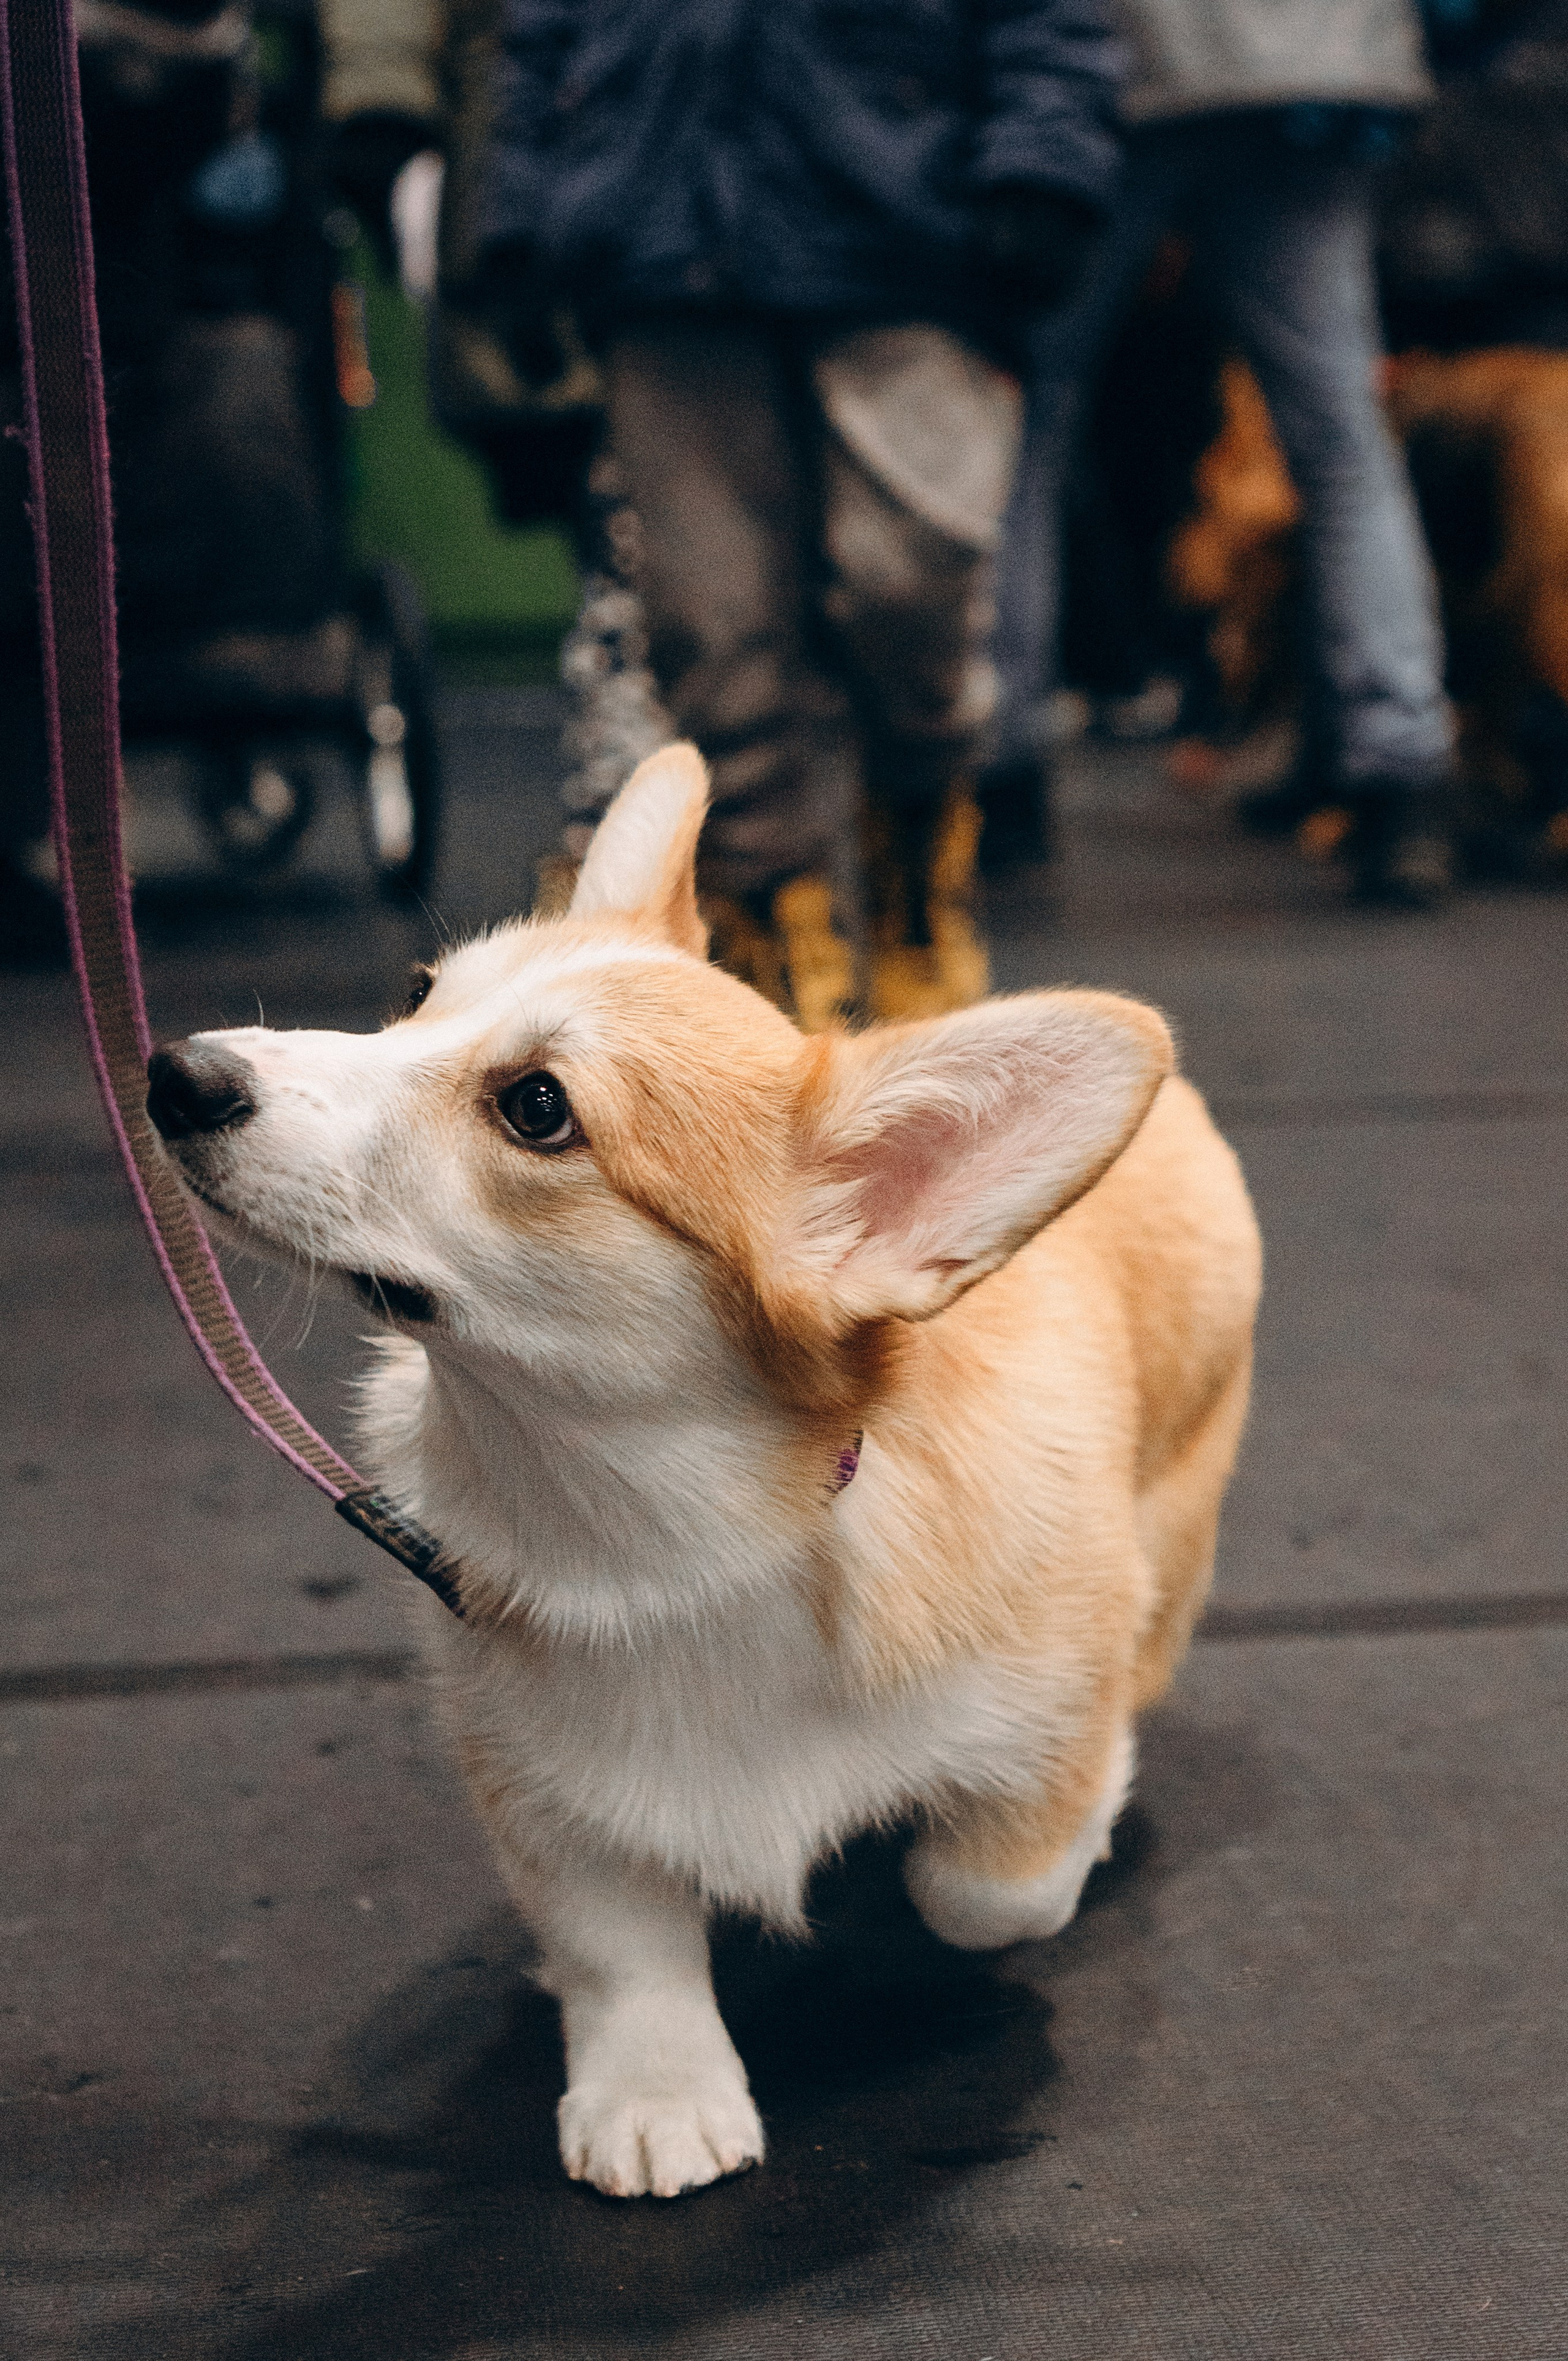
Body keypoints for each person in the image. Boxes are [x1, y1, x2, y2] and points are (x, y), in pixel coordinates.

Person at [475, 0, 1125, 1026]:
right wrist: (518, 219)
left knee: (912, 581)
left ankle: (916, 848)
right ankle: (773, 930)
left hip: (908, 227)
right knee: (711, 629)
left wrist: (1043, 164)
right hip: (660, 235)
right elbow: (539, 29)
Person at [984, 0, 1459, 908]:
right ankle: (1399, 764)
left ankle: (1001, 760)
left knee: (1033, 428)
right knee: (1341, 445)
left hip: (1120, 64)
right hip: (1317, 66)